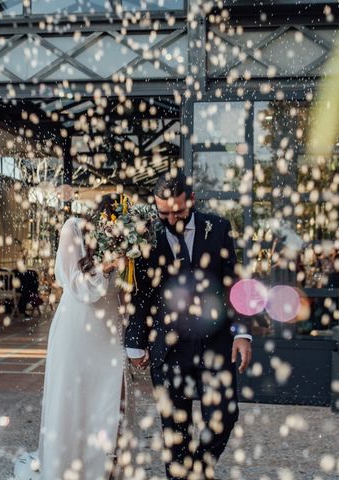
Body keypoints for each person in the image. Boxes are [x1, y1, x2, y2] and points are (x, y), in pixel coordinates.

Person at [125, 172, 252, 480]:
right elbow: (140, 292)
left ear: (191, 200)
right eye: (164, 213)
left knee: (224, 415)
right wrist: (135, 340)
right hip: (168, 346)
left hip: (215, 342)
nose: (171, 219)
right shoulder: (145, 237)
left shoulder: (218, 229)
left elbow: (233, 283)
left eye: (178, 211)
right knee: (175, 431)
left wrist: (243, 332)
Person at [14, 196, 128, 480]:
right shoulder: (72, 229)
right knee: (75, 400)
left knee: (113, 398)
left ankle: (108, 468)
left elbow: (126, 289)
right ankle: (70, 468)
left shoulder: (128, 241)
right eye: (112, 224)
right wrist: (106, 266)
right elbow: (78, 286)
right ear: (101, 219)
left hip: (110, 329)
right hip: (77, 329)